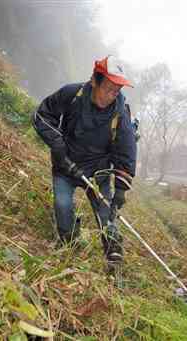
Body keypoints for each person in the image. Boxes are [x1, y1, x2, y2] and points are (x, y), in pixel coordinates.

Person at [32, 56, 137, 265]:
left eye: (117, 90)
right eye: (108, 88)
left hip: (99, 171)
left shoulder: (120, 113)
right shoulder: (72, 94)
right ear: (94, 81)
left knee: (106, 212)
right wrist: (58, 146)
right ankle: (69, 241)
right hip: (66, 165)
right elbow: (42, 116)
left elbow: (125, 150)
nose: (112, 95)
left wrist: (122, 189)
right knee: (62, 206)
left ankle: (112, 250)